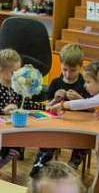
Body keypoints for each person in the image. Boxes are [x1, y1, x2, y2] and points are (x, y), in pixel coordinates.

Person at [0, 48, 46, 170]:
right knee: (5, 149)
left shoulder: (17, 86)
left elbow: (26, 104)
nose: (16, 75)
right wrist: (2, 110)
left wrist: (46, 106)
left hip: (12, 130)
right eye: (13, 72)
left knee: (16, 148)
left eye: (18, 72)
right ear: (0, 71)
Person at [33, 44, 92, 172]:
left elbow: (92, 109)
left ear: (80, 67)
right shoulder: (56, 83)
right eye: (65, 69)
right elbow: (47, 107)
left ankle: (71, 167)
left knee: (85, 141)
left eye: (73, 70)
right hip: (57, 127)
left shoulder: (86, 84)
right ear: (60, 64)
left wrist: (80, 99)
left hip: (79, 128)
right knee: (48, 141)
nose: (68, 74)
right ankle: (39, 167)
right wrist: (55, 99)